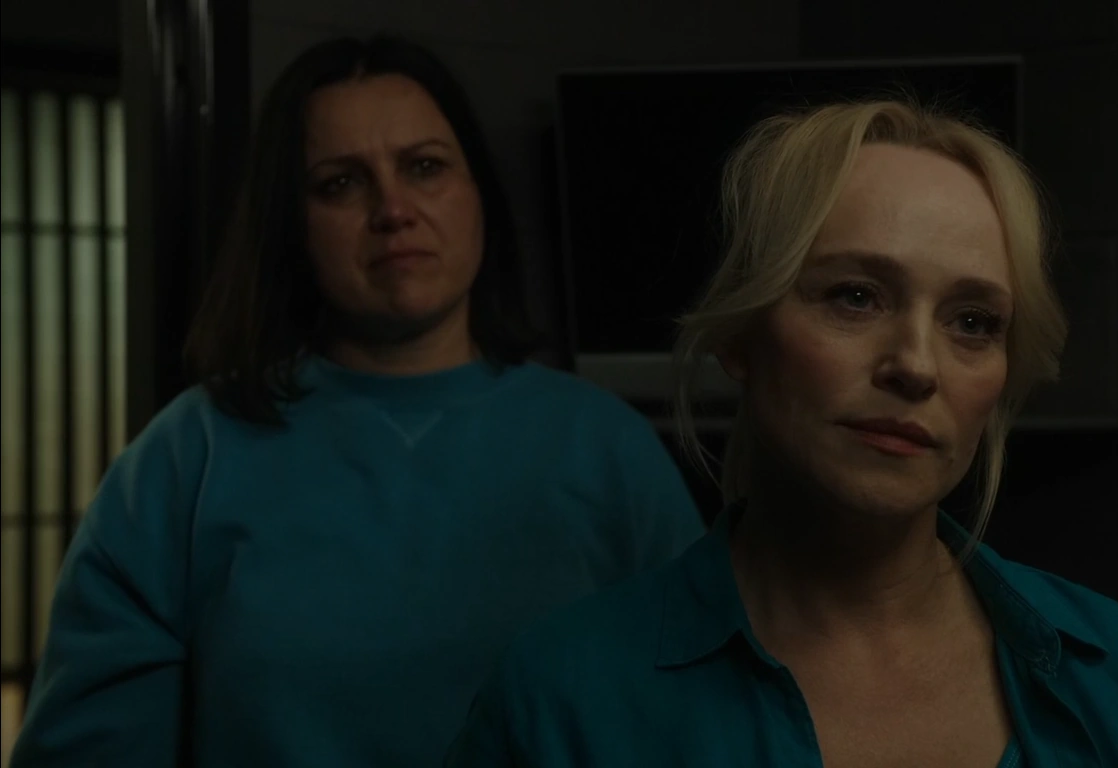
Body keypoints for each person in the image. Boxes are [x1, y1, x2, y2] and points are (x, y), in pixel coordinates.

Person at [447, 99, 1118, 767]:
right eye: (856, 297)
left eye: (972, 322)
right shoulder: (561, 698)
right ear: (743, 334)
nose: (916, 365)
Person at [11, 35, 702, 768]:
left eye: (425, 167)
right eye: (340, 183)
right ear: (291, 223)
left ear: (478, 194)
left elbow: (700, 721)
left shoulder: (607, 449)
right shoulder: (187, 460)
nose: (393, 209)